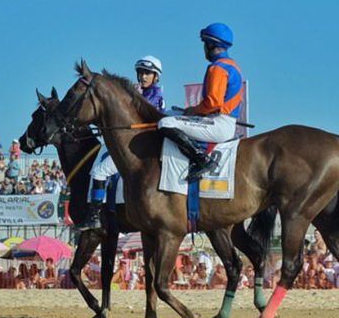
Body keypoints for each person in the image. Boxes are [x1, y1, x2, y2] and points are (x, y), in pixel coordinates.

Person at [78, 55, 166, 230]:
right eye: (141, 72)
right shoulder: (138, 93)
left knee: (99, 171)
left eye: (148, 73)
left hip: (140, 147)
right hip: (134, 143)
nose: (143, 76)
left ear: (156, 77)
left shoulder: (154, 96)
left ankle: (95, 215)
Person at [158, 23, 244, 181]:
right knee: (168, 114)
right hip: (220, 121)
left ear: (211, 44)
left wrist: (193, 110)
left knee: (165, 123)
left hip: (218, 123)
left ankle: (202, 160)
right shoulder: (232, 65)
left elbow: (213, 103)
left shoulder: (218, 68)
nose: (203, 48)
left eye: (205, 43)